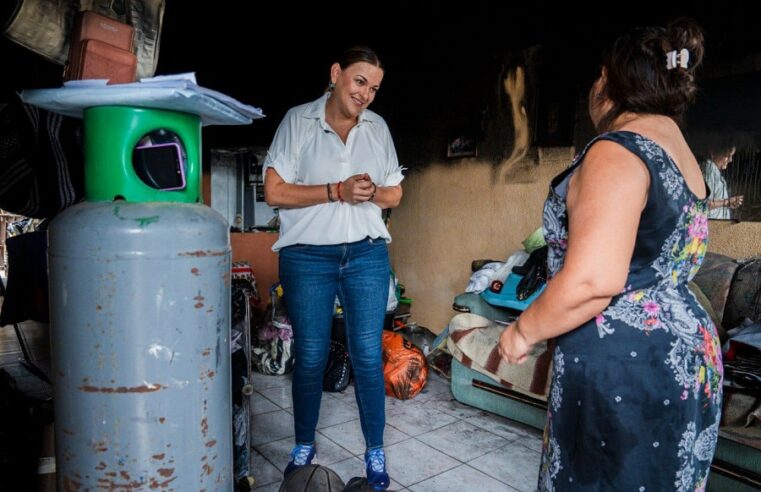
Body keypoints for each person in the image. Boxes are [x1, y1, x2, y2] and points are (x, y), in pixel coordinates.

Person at [499, 19, 722, 490]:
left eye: (597, 78)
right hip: (688, 350)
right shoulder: (678, 148)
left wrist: (522, 331)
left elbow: (592, 280)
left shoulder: (618, 150)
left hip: (627, 364)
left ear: (609, 80)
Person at [263, 45, 403, 490]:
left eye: (375, 88)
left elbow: (395, 194)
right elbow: (274, 191)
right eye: (360, 81)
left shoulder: (377, 128)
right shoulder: (298, 121)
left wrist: (369, 191)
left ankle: (375, 452)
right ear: (336, 73)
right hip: (307, 256)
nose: (366, 94)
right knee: (310, 356)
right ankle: (304, 445)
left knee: (366, 356)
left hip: (365, 254)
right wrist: (334, 190)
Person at [702, 145, 743, 219]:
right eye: (727, 155)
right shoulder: (710, 169)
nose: (730, 160)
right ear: (713, 153)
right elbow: (703, 204)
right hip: (712, 226)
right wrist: (727, 202)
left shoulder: (713, 170)